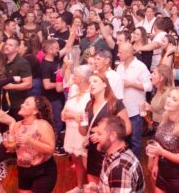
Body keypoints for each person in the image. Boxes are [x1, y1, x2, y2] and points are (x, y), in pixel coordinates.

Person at [82, 72, 131, 184]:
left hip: (110, 152)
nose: (91, 84)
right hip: (93, 152)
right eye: (89, 82)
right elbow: (84, 132)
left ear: (105, 84)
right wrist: (81, 123)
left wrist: (103, 136)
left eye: (95, 81)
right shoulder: (89, 105)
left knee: (109, 185)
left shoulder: (115, 104)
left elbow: (128, 129)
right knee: (93, 185)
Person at [147, 87, 179, 193]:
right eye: (169, 96)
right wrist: (155, 164)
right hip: (162, 171)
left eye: (174, 99)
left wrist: (161, 152)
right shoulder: (165, 119)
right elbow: (159, 143)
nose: (168, 100)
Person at [7, 96, 57, 193]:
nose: (22, 105)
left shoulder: (42, 124)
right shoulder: (17, 125)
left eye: (27, 104)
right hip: (23, 170)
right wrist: (11, 147)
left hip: (42, 170)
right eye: (24, 102)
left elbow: (51, 149)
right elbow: (14, 150)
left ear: (35, 111)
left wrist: (31, 141)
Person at [88, 116, 145, 193]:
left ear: (112, 136)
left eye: (99, 134)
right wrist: (98, 189)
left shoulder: (120, 169)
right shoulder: (114, 155)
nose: (95, 137)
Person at [62, 65, 93, 193]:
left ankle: (93, 188)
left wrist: (73, 116)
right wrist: (72, 115)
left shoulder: (91, 92)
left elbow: (86, 115)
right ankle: (80, 187)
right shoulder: (74, 88)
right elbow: (64, 112)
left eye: (76, 75)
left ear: (83, 78)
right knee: (77, 160)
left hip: (84, 132)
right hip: (71, 130)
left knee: (89, 163)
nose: (73, 77)